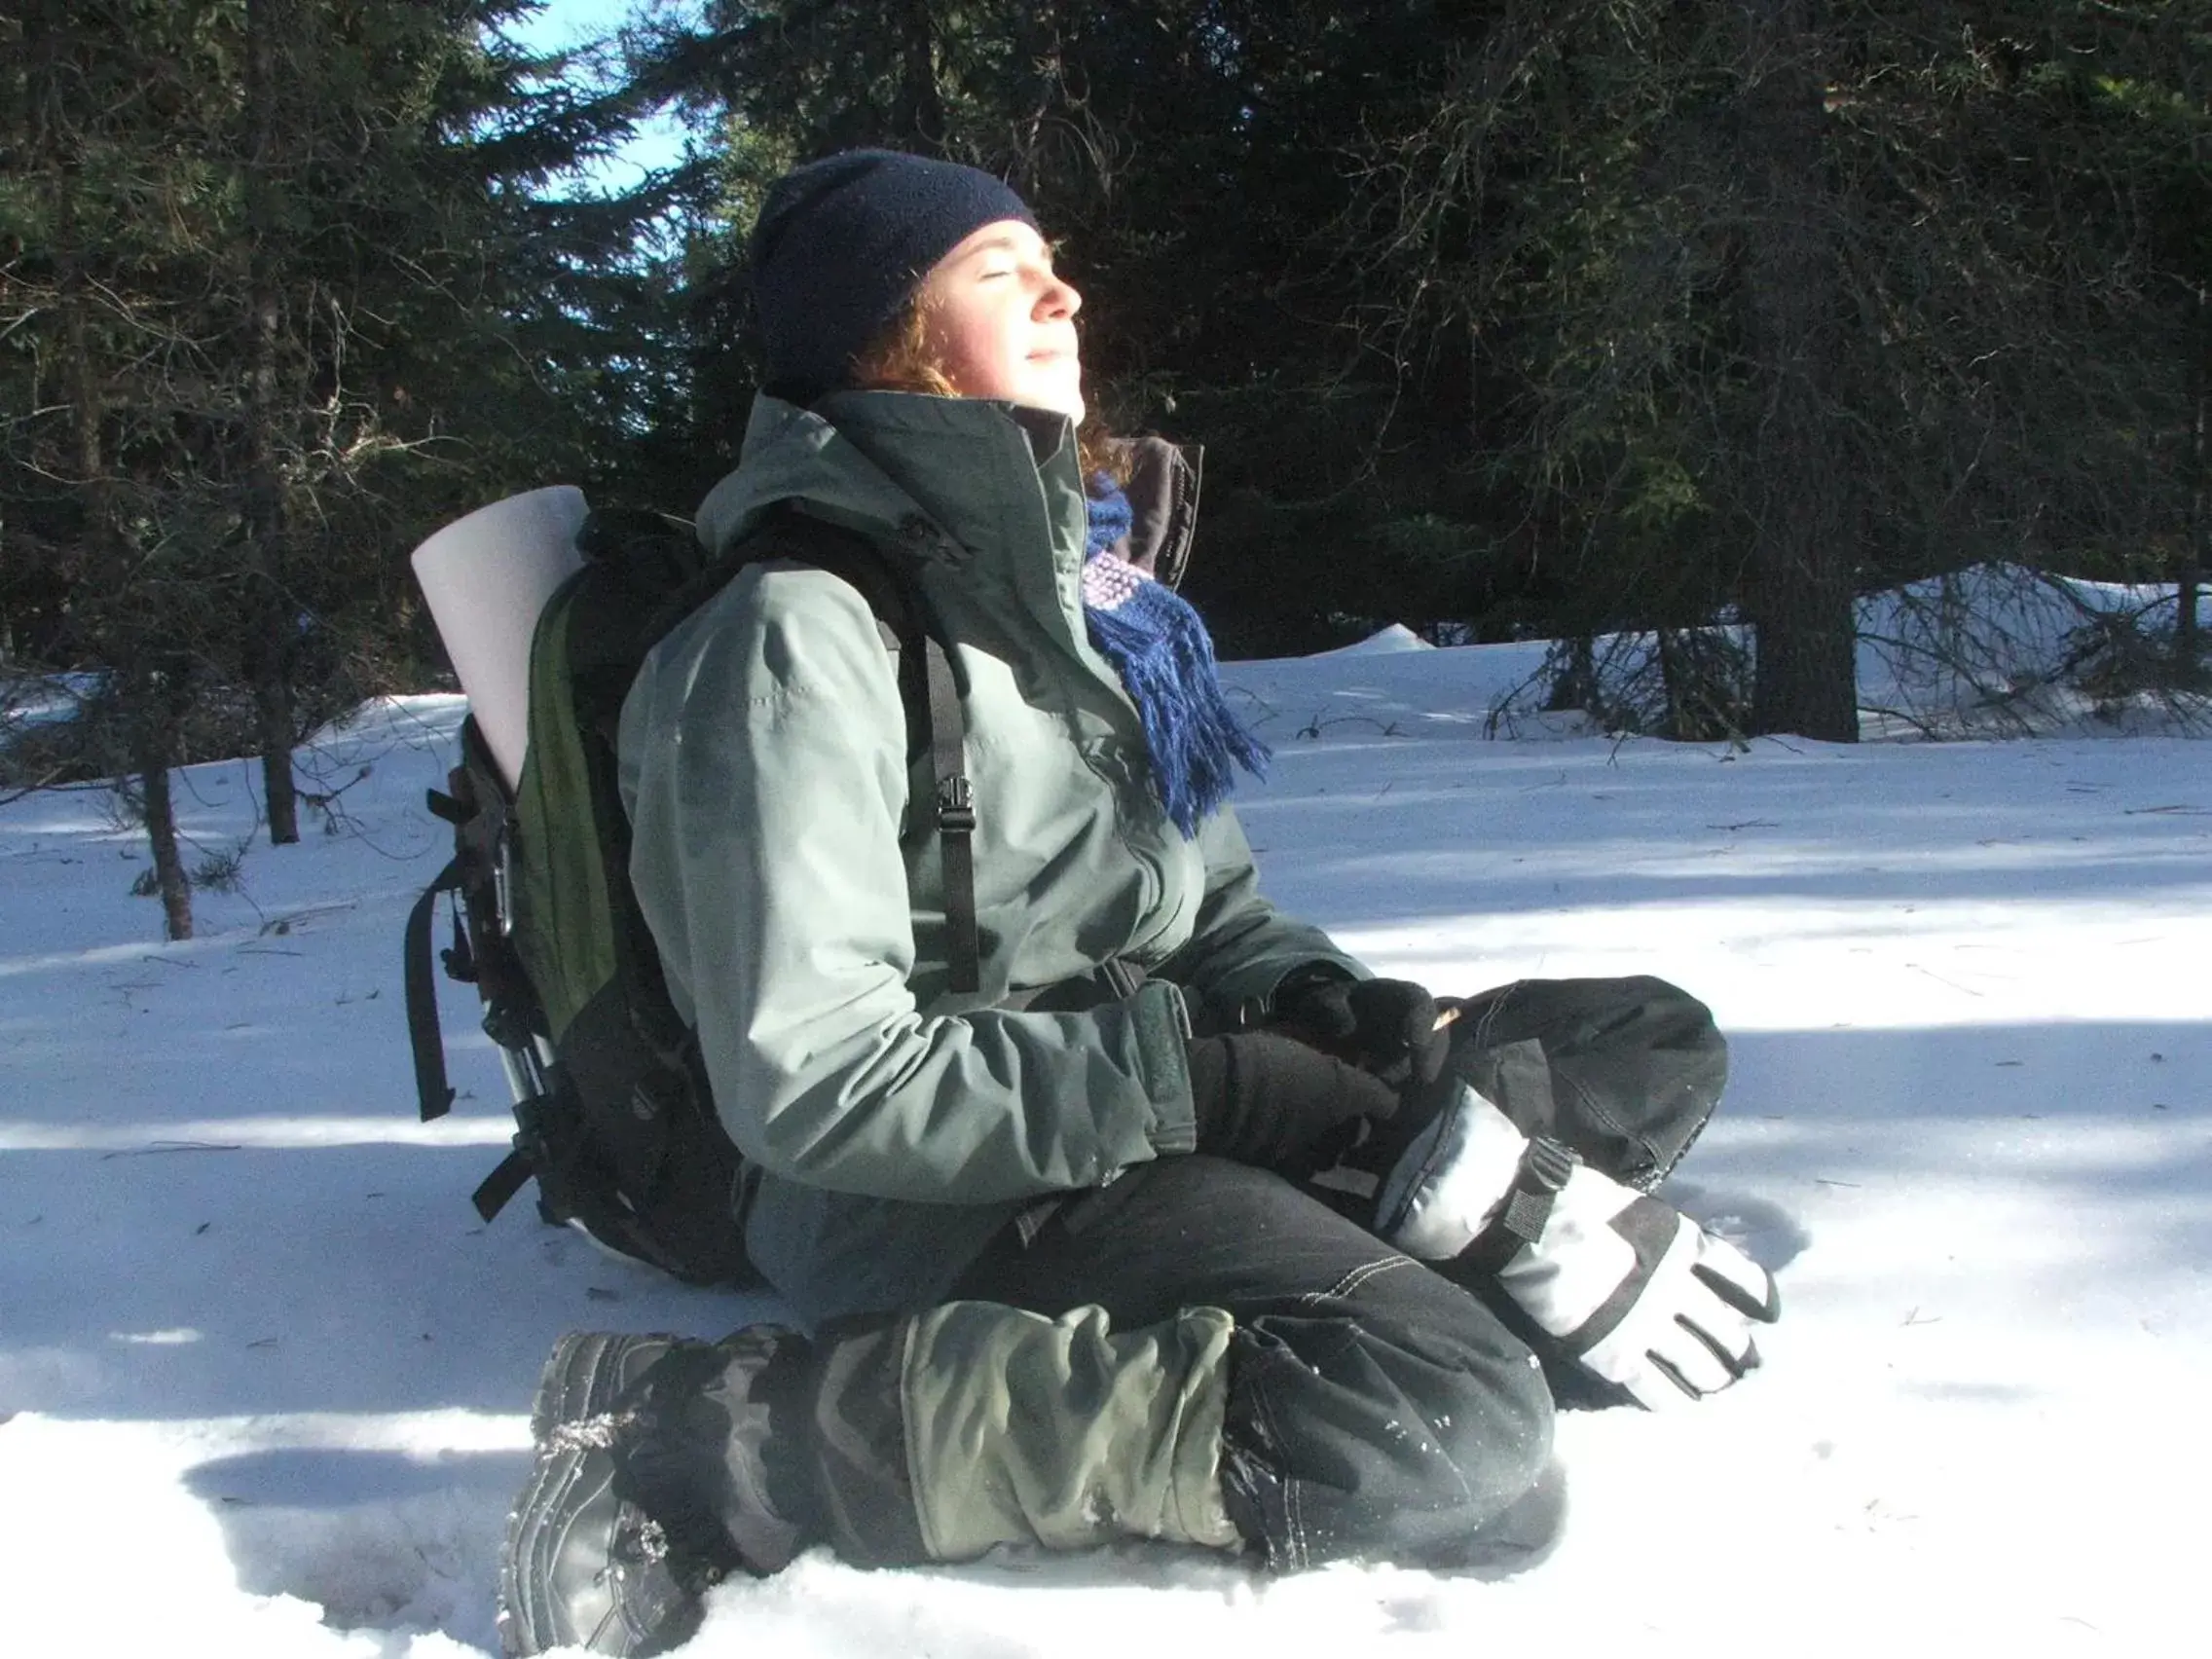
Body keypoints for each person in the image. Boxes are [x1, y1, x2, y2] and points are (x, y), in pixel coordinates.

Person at [497, 149, 1780, 1657]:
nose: (1063, 288)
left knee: (1645, 1043)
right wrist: (1223, 1090)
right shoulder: (791, 639)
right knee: (1455, 1424)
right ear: (882, 339)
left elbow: (1206, 913)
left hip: (1142, 1091)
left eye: (1050, 256)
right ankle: (709, 1439)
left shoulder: (1083, 593)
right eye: (995, 269)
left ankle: (1374, 1245)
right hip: (925, 1189)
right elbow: (819, 1083)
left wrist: (1332, 1018)